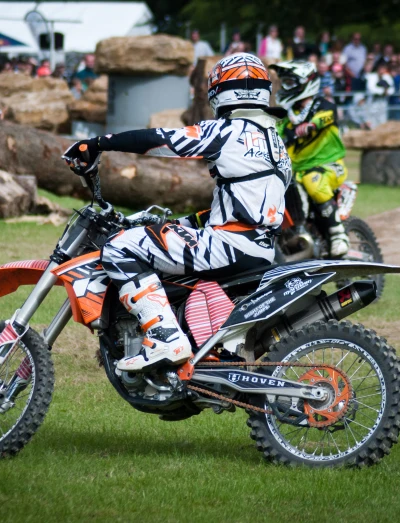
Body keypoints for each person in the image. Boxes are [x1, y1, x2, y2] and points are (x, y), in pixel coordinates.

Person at [62, 53, 291, 372]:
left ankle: (164, 336)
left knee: (118, 248)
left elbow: (161, 140)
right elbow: (244, 206)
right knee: (157, 242)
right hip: (260, 249)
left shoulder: (227, 132)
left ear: (220, 92)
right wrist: (178, 224)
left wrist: (98, 143)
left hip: (228, 247)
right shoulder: (276, 143)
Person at [269, 60, 349, 257]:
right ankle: (296, 232)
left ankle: (338, 234)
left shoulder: (324, 106)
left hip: (328, 165)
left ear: (305, 83)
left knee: (313, 181)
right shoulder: (288, 115)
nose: (286, 86)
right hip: (298, 170)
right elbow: (275, 132)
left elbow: (326, 117)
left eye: (289, 82)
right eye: (284, 82)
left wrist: (311, 125)